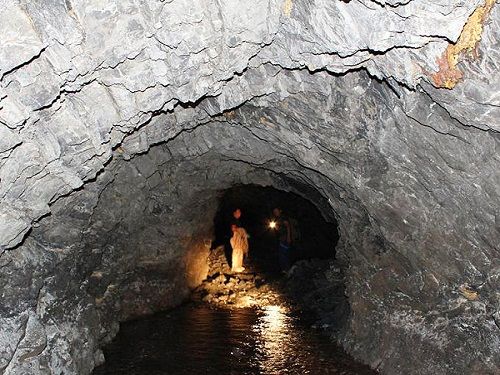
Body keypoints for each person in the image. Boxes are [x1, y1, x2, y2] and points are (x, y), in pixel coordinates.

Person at [272, 207, 292, 272]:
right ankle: (284, 269)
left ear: (280, 211)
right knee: (282, 254)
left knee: (284, 254)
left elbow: (288, 227)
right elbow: (280, 229)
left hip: (285, 239)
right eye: (274, 212)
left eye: (276, 211)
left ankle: (287, 269)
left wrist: (288, 237)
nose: (275, 213)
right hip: (281, 238)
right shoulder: (277, 219)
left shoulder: (283, 218)